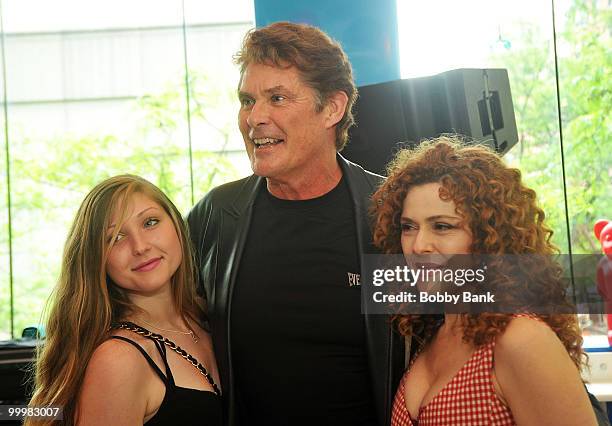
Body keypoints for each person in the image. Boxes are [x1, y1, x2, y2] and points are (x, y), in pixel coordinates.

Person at [187, 22, 404, 426]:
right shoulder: (219, 215)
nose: (255, 118)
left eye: (278, 98)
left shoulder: (391, 214)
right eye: (247, 100)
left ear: (332, 109)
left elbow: (491, 312)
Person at [371, 137, 598, 425]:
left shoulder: (521, 338)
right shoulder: (430, 334)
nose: (419, 245)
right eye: (408, 227)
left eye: (442, 226)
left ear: (489, 239)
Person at [27, 175, 222, 426]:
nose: (140, 246)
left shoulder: (208, 316)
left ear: (176, 224)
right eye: (115, 238)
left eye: (150, 222)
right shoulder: (119, 360)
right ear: (97, 260)